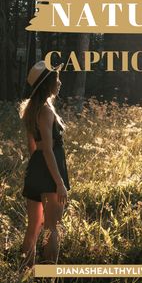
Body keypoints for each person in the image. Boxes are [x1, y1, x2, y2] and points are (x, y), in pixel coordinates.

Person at [19, 60, 70, 269]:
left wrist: (37, 171)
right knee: (52, 228)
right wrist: (58, 183)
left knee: (32, 229)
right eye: (56, 79)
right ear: (48, 83)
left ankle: (24, 274)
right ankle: (49, 275)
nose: (59, 83)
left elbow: (33, 147)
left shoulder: (32, 110)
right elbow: (48, 149)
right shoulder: (47, 112)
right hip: (50, 174)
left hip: (36, 171)